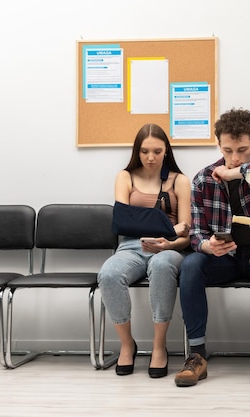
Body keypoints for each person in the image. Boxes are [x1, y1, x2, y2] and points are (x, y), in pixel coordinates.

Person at [174, 108, 250, 392]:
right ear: (219, 146)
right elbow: (196, 233)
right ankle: (196, 356)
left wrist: (234, 172)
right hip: (224, 259)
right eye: (228, 150)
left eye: (242, 150)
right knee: (190, 266)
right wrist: (207, 245)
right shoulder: (203, 179)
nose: (235, 156)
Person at [97, 123, 191, 378]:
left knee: (161, 267)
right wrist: (169, 226)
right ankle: (127, 344)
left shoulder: (179, 181)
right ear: (137, 152)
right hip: (130, 246)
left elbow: (186, 234)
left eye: (157, 151)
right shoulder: (125, 177)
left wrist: (169, 241)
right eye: (145, 151)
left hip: (168, 250)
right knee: (108, 275)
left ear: (166, 151)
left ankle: (159, 346)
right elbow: (121, 222)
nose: (151, 157)